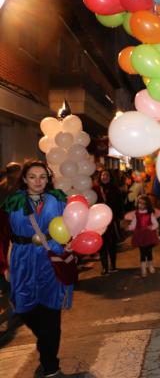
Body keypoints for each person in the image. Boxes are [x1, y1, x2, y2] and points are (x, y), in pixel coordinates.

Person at [3, 160, 72, 377]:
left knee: (51, 311)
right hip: (22, 258)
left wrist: (70, 242)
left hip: (50, 256)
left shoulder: (58, 198)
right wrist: (4, 265)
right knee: (25, 308)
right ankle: (47, 345)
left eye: (42, 177)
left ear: (48, 178)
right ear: (24, 179)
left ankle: (51, 366)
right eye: (32, 177)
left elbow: (71, 224)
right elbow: (3, 235)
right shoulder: (13, 202)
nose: (38, 181)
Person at [94, 169, 122, 275]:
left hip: (111, 222)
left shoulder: (115, 189)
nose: (105, 177)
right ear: (100, 177)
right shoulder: (95, 189)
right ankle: (104, 267)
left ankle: (113, 266)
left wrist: (118, 216)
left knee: (112, 244)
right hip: (98, 222)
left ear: (110, 177)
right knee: (101, 245)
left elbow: (119, 205)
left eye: (107, 175)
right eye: (103, 175)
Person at [125, 195, 160, 277]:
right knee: (142, 252)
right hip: (140, 235)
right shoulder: (136, 214)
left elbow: (156, 224)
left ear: (147, 204)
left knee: (149, 251)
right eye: (139, 203)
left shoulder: (150, 213)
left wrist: (151, 227)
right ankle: (143, 269)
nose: (140, 205)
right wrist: (129, 228)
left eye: (143, 203)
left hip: (149, 235)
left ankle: (150, 266)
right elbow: (133, 224)